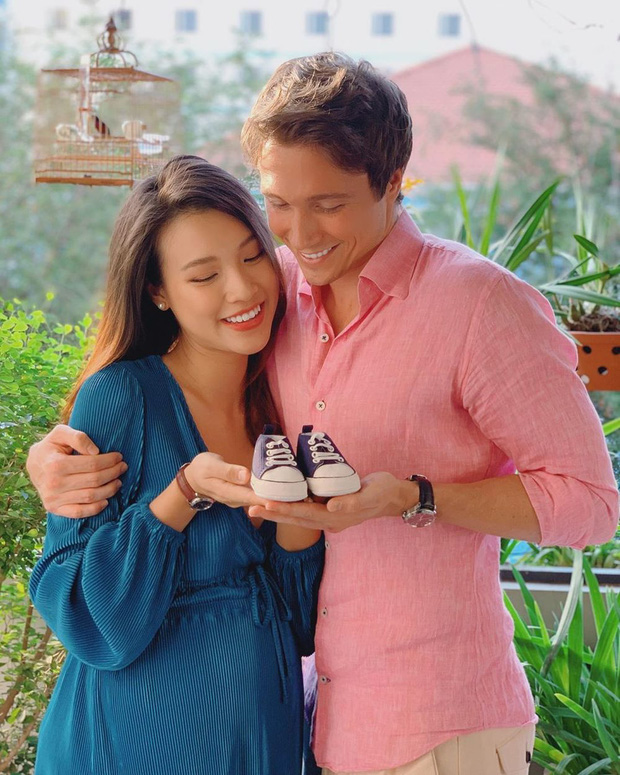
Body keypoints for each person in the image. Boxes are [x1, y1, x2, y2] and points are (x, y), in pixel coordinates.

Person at [27, 54, 618, 775]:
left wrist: (415, 495)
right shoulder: (276, 301)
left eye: (329, 204)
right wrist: (50, 457)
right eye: (278, 203)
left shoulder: (481, 305)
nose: (300, 236)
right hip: (314, 728)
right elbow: (153, 362)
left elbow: (591, 504)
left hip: (441, 721)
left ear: (394, 181)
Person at [27, 155, 324, 775]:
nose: (242, 289)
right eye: (204, 275)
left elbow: (300, 626)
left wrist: (301, 518)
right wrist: (182, 493)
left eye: (253, 256)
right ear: (158, 292)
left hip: (255, 742)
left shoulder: (281, 403)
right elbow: (89, 619)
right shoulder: (122, 398)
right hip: (132, 746)